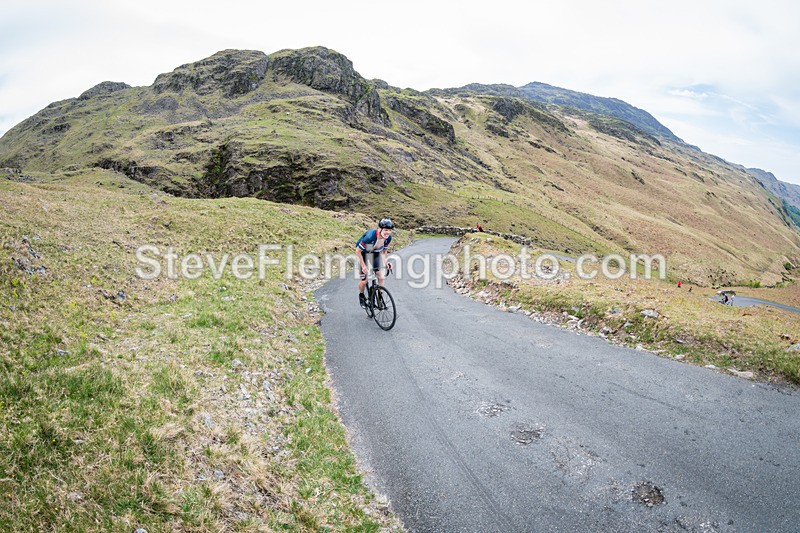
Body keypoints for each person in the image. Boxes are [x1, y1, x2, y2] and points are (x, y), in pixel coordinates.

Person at [356, 218, 394, 307]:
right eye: (385, 230)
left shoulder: (388, 238)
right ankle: (361, 296)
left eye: (389, 230)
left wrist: (386, 263)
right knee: (364, 281)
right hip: (364, 253)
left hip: (375, 252)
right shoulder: (370, 236)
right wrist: (363, 266)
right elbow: (358, 251)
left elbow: (383, 252)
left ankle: (380, 298)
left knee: (381, 276)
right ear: (380, 229)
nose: (387, 232)